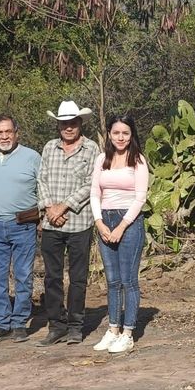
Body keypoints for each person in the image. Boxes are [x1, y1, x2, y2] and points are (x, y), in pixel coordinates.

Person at [36, 100, 100, 346]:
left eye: (73, 123)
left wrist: (63, 206)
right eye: (64, 123)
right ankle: (56, 325)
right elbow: (41, 179)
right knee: (51, 277)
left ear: (80, 123)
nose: (69, 128)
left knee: (78, 277)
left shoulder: (91, 149)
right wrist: (50, 208)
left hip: (79, 223)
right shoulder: (50, 147)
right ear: (58, 125)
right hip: (52, 223)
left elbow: (90, 184)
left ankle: (75, 325)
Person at [90, 114, 149, 354]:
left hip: (130, 222)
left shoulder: (138, 161)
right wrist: (99, 223)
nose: (121, 137)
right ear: (109, 134)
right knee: (112, 281)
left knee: (128, 280)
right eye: (116, 133)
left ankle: (128, 332)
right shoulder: (102, 159)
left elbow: (140, 198)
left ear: (132, 134)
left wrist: (121, 226)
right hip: (105, 219)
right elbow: (95, 192)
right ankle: (112, 329)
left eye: (125, 133)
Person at [0, 114, 41, 345]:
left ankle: (19, 323)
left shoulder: (32, 157)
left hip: (23, 224)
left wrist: (41, 219)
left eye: (8, 131)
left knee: (23, 276)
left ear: (17, 132)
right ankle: (1, 323)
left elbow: (42, 187)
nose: (4, 136)